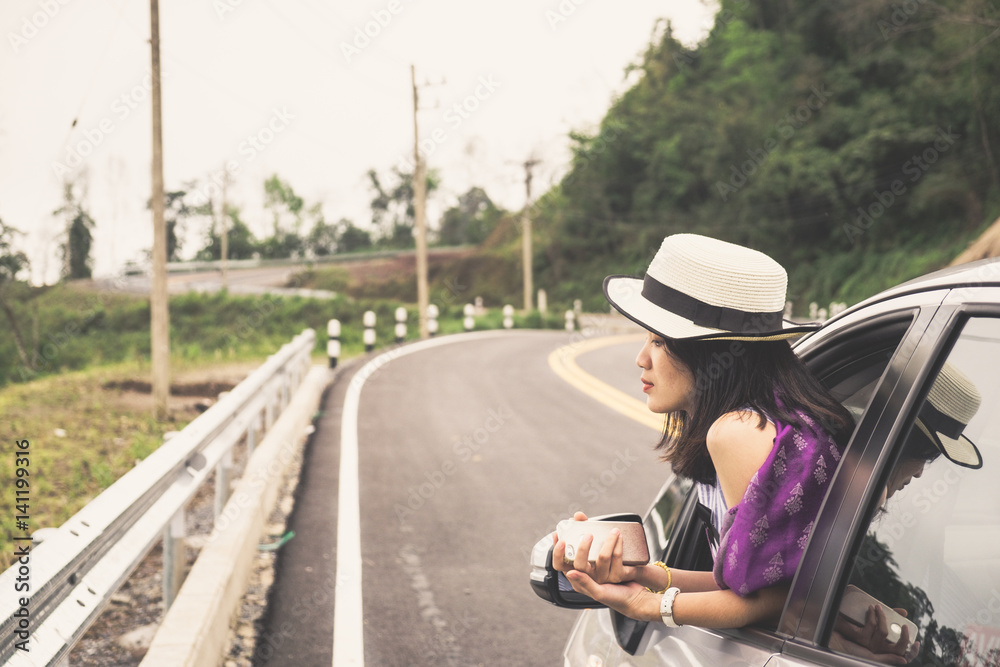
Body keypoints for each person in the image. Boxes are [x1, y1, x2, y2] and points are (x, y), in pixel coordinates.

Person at [552, 233, 855, 630]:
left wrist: (645, 606)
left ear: (710, 354)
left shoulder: (738, 431)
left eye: (659, 341)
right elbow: (742, 584)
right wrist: (647, 576)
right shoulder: (765, 418)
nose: (641, 358)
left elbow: (773, 601)